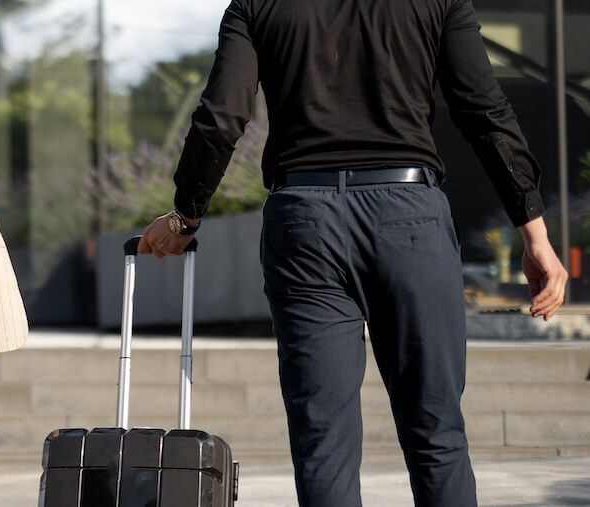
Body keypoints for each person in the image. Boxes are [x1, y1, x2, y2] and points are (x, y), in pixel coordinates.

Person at [137, 0, 570, 505]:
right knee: (438, 434)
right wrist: (534, 234)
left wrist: (184, 218)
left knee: (323, 442)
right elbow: (484, 110)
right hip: (410, 218)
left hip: (305, 225)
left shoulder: (256, 6)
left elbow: (222, 117)